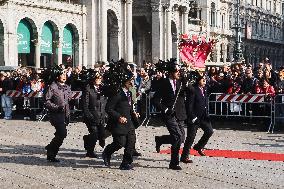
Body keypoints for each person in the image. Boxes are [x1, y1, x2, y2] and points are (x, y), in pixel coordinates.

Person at [102, 67, 140, 170]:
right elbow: (108, 108)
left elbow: (129, 107)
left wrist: (134, 113)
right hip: (119, 123)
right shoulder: (117, 93)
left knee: (131, 142)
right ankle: (107, 152)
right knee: (120, 143)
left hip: (129, 122)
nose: (132, 83)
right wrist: (118, 117)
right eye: (130, 80)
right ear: (125, 82)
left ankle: (126, 163)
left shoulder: (129, 93)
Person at [153, 59, 187, 170]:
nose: (179, 73)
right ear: (171, 72)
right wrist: (166, 109)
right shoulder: (163, 83)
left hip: (180, 114)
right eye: (176, 71)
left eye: (179, 71)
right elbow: (156, 100)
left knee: (181, 137)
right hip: (169, 114)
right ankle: (174, 163)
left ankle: (161, 140)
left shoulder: (181, 82)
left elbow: (190, 92)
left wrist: (188, 84)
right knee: (177, 136)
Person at [181, 72, 214, 162]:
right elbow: (189, 105)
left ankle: (199, 146)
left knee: (209, 131)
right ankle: (184, 156)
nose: (205, 81)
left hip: (203, 117)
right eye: (202, 79)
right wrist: (192, 117)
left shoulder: (204, 89)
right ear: (198, 80)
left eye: (205, 79)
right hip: (194, 117)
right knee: (191, 137)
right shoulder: (193, 90)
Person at [44, 66, 71, 162]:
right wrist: (57, 107)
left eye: (65, 74)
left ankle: (50, 151)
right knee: (62, 133)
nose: (64, 76)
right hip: (56, 114)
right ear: (57, 76)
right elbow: (47, 101)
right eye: (62, 74)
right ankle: (51, 150)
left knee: (60, 134)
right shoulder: (53, 87)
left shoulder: (67, 87)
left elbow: (68, 100)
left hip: (65, 114)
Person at [82, 70, 107, 158]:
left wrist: (106, 113)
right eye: (98, 78)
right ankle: (90, 152)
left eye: (101, 78)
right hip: (91, 115)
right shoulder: (88, 88)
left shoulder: (103, 88)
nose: (100, 80)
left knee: (102, 134)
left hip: (101, 115)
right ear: (93, 79)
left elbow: (105, 102)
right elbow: (85, 104)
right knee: (94, 133)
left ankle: (87, 138)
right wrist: (89, 115)